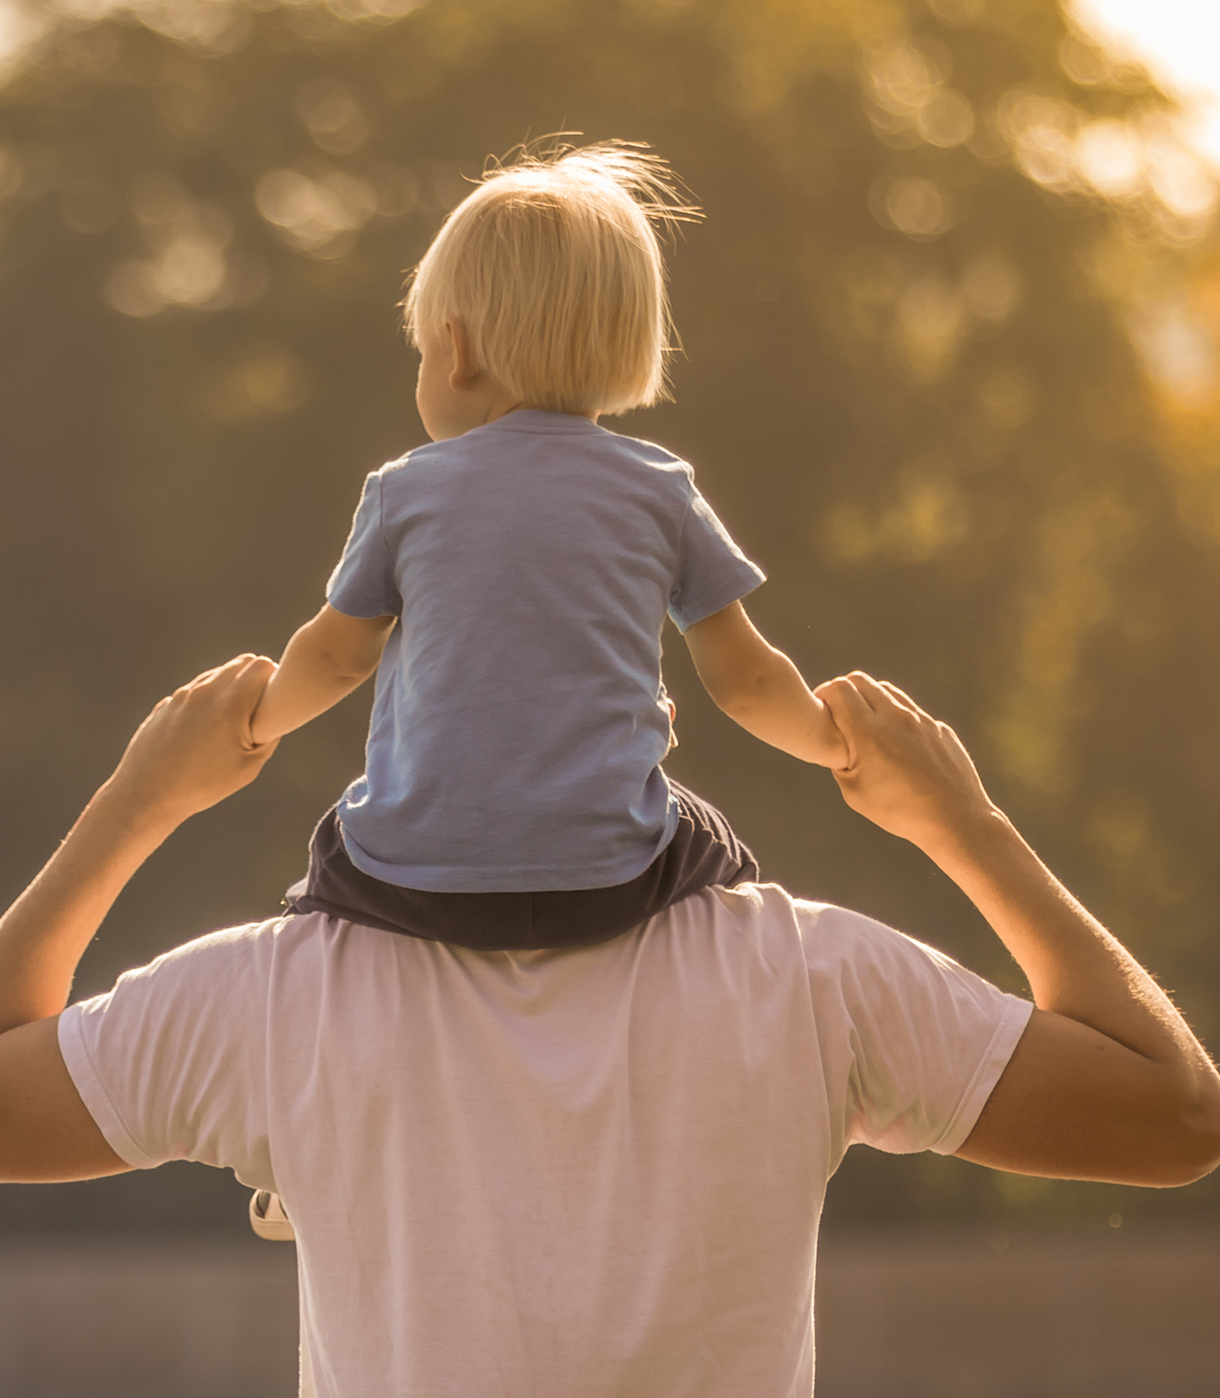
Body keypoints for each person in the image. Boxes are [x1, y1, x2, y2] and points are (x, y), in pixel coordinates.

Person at [0, 657, 1220, 1398]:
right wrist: (961, 824)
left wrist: (135, 803)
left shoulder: (279, 998)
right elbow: (1174, 1116)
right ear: (650, 726)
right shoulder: (807, 973)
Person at [244, 142, 843, 954]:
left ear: (455, 352)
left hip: (412, 883)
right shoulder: (661, 490)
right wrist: (832, 740)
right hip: (609, 883)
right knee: (716, 846)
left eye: (420, 351)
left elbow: (337, 659)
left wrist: (254, 719)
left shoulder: (404, 491)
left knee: (331, 853)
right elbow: (747, 681)